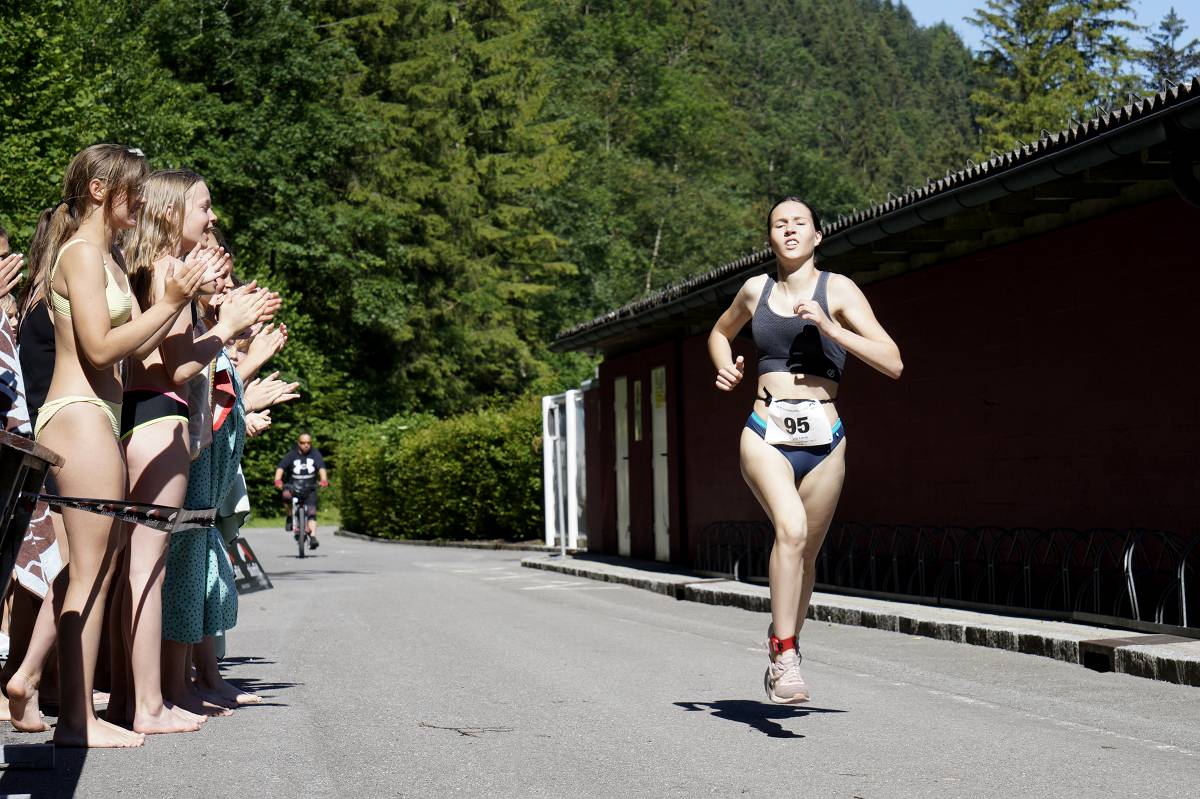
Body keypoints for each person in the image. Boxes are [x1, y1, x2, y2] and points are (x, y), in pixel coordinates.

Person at [31, 143, 208, 748]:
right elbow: (100, 349)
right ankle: (76, 721)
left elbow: (137, 347)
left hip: (99, 416)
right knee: (90, 574)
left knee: (98, 570)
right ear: (101, 190)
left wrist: (186, 303)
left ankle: (70, 707)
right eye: (134, 189)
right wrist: (171, 302)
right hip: (77, 414)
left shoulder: (106, 256)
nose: (143, 200)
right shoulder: (81, 254)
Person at [708, 197, 902, 704]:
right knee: (790, 530)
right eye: (780, 224)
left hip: (826, 437)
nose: (789, 230)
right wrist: (724, 364)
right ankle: (785, 652)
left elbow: (892, 362)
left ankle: (784, 644)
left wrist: (831, 328)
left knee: (807, 554)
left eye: (799, 223)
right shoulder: (755, 290)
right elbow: (720, 331)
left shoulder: (838, 289)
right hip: (765, 428)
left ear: (817, 236)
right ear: (770, 238)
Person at [109, 169, 268, 733]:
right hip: (160, 414)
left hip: (138, 413)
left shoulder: (146, 268)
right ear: (171, 211)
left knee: (136, 570)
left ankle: (134, 699)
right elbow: (178, 367)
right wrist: (228, 326)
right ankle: (150, 704)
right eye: (204, 206)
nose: (212, 216)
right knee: (148, 572)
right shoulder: (167, 271)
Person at [274, 433, 327, 549]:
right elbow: (281, 467)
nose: (306, 445)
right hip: (293, 486)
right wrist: (278, 480)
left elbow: (321, 467)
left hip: (310, 487)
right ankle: (289, 515)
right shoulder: (292, 454)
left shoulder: (315, 454)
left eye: (308, 443)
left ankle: (312, 537)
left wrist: (323, 479)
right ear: (299, 443)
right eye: (303, 443)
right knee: (286, 496)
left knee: (312, 511)